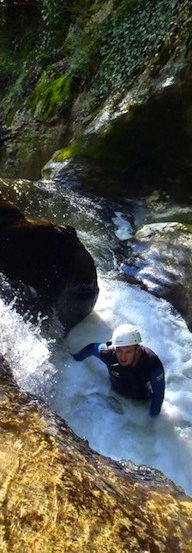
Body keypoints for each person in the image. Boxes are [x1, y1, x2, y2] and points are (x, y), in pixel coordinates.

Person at [72, 323, 165, 417]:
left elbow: (159, 394)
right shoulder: (108, 353)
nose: (123, 357)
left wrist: (152, 420)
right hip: (115, 394)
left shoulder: (151, 363)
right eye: (119, 350)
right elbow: (91, 348)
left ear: (137, 350)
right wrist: (73, 359)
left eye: (128, 352)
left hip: (141, 400)